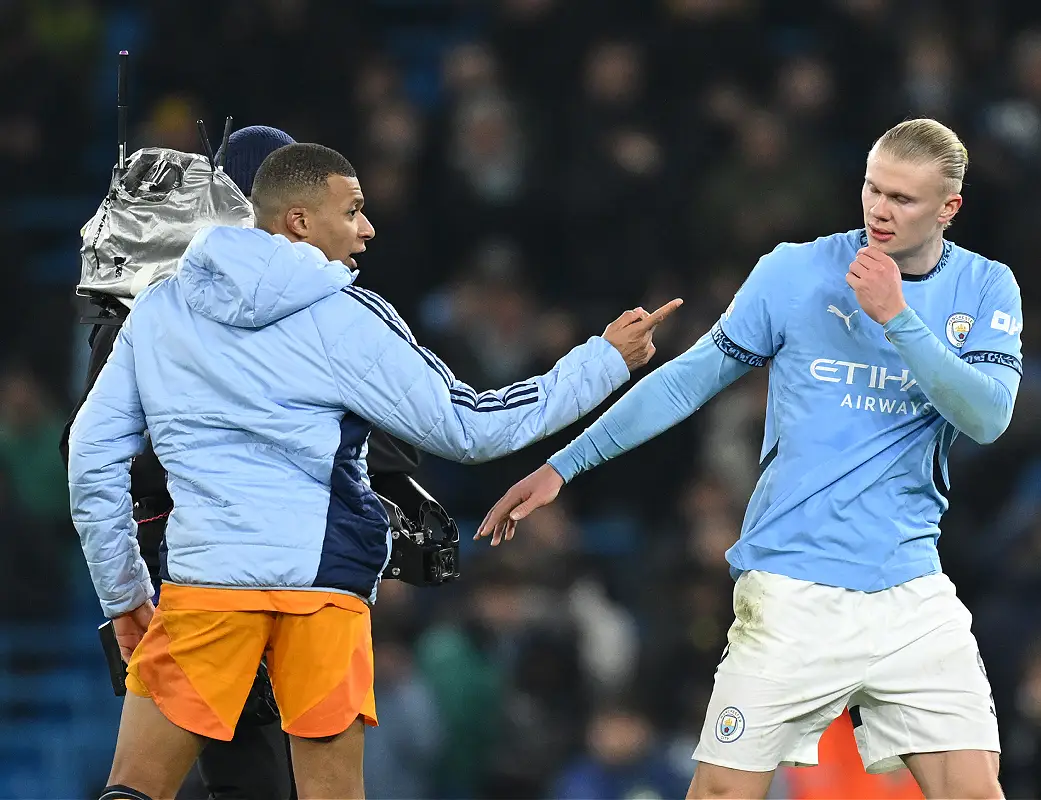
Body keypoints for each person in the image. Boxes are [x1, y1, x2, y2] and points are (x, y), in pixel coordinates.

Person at [68, 141, 681, 800]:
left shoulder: (160, 311)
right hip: (321, 594)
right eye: (353, 210)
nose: (369, 228)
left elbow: (91, 463)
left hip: (206, 589)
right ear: (298, 221)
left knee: (133, 790)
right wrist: (606, 360)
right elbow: (472, 428)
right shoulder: (345, 318)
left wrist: (125, 597)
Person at [476, 118, 1023, 800]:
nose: (880, 210)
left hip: (910, 590)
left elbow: (988, 416)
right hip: (792, 589)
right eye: (872, 189)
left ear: (949, 208)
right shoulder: (794, 272)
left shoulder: (985, 288)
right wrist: (565, 464)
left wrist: (897, 318)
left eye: (904, 200)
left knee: (975, 792)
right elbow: (688, 379)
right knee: (719, 795)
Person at [62, 124, 304, 800]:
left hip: (220, 569)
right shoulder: (162, 304)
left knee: (219, 772)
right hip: (196, 571)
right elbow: (91, 452)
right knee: (225, 773)